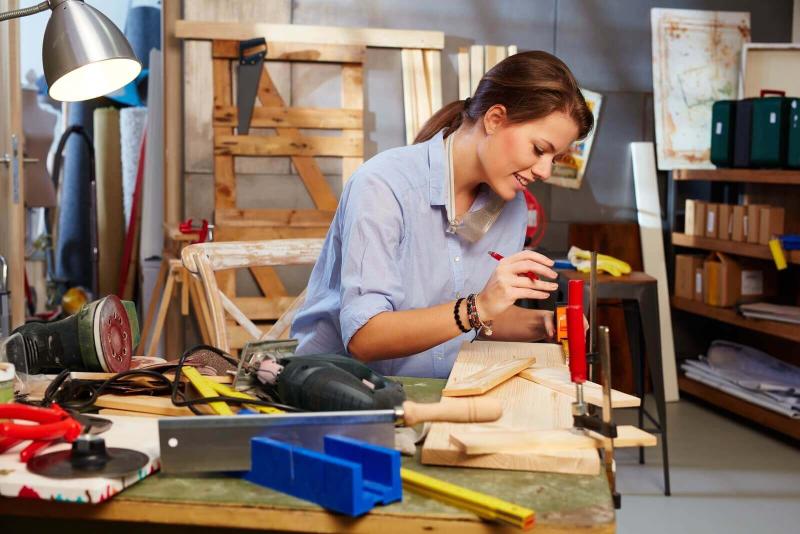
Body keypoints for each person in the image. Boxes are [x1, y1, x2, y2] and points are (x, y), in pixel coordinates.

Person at [290, 50, 594, 378]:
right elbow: (365, 337)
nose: (545, 171)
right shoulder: (384, 185)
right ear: (494, 119)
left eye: (556, 158)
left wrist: (547, 323)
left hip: (437, 394)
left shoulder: (512, 207)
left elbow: (480, 315)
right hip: (338, 393)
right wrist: (478, 307)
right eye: (539, 150)